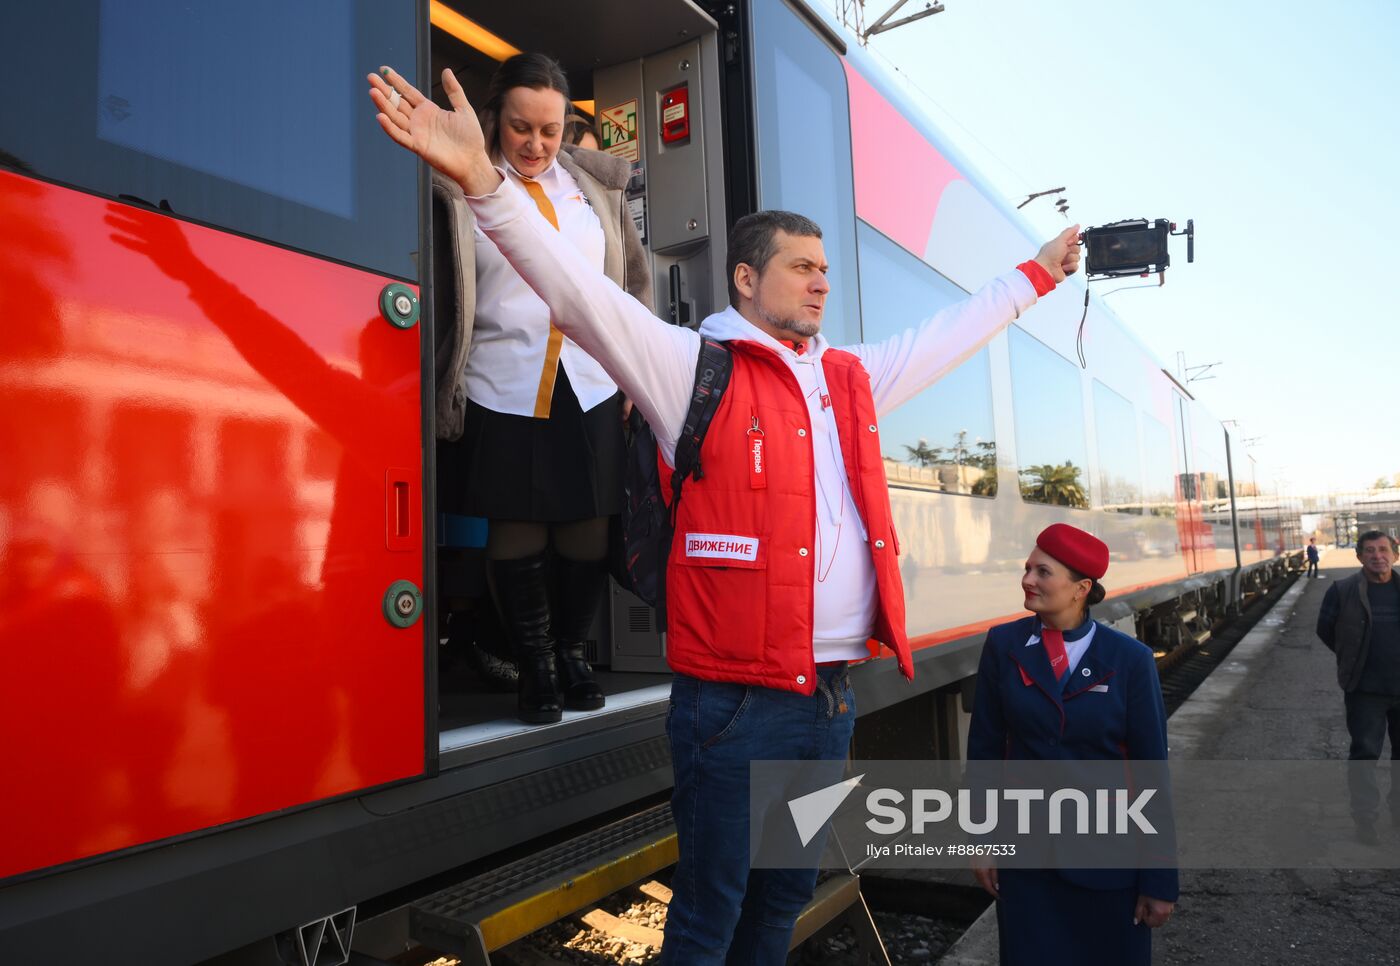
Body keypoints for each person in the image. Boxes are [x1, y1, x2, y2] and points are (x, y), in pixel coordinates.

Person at [366, 65, 1081, 964]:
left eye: (827, 269)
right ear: (746, 278)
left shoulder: (850, 379)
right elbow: (577, 294)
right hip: (736, 710)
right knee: (710, 918)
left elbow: (949, 334)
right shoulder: (688, 367)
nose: (822, 284)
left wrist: (1035, 277)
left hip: (827, 702)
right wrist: (481, 182)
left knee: (780, 902)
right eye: (802, 268)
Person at [430, 53, 652, 724]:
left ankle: (571, 651)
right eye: (521, 127)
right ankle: (535, 665)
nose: (535, 143)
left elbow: (632, 285)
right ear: (495, 118)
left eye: (550, 131)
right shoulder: (457, 184)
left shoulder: (595, 189)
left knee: (589, 525)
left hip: (588, 379)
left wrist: (639, 366)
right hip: (501, 377)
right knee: (518, 525)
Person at [966, 524, 1177, 966]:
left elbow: (1150, 770)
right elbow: (985, 749)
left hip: (1108, 862)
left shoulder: (1129, 660)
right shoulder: (1004, 646)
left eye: (1042, 572)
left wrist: (1159, 878)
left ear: (1081, 588)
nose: (1027, 580)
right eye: (1027, 568)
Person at [1316, 529, 1400, 844]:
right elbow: (1326, 629)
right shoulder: (1342, 591)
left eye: (1383, 549)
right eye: (1369, 550)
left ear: (1395, 553)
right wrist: (1353, 659)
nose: (1377, 555)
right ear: (1359, 556)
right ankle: (1366, 821)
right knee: (1365, 756)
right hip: (1365, 692)